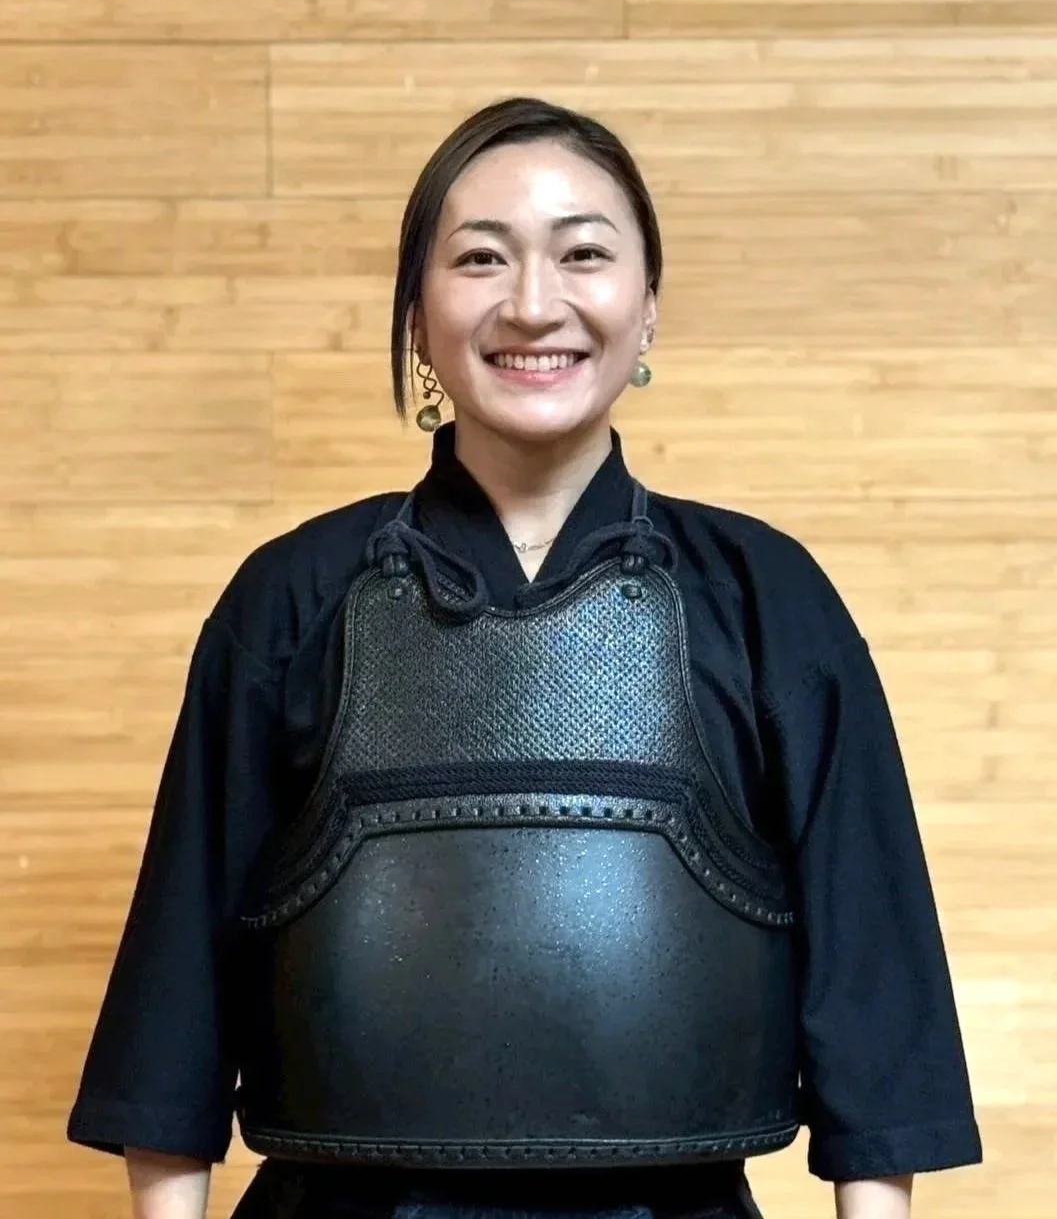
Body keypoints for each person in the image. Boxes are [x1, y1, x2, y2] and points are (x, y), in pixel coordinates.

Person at [67, 97, 982, 1219]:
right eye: (480, 258)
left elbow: (871, 994)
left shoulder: (765, 595)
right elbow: (176, 1011)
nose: (534, 303)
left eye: (584, 254)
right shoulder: (291, 597)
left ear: (647, 310)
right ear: (415, 315)